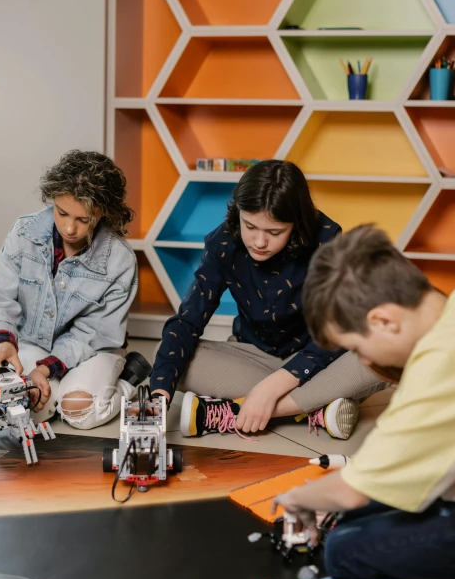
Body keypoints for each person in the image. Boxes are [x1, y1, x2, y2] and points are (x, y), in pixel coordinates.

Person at [273, 224, 455, 579]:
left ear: (382, 321)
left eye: (357, 347)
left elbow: (351, 491)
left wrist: (296, 497)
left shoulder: (441, 361)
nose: (362, 361)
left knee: (345, 550)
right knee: (359, 517)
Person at [150, 160, 384, 441]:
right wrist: (159, 397)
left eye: (274, 232)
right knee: (167, 358)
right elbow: (188, 321)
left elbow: (338, 330)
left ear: (296, 224)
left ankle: (239, 410)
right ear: (238, 212)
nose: (259, 241)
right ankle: (315, 407)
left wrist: (271, 389)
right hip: (252, 355)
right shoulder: (223, 243)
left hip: (318, 355)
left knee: (385, 353)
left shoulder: (327, 240)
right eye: (249, 226)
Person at [0, 150, 151, 430]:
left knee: (79, 411)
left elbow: (92, 333)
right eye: (62, 212)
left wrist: (45, 368)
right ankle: (54, 392)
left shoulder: (120, 260)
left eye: (84, 219)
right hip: (33, 342)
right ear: (52, 199)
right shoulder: (23, 233)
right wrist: (3, 342)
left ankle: (127, 380)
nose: (69, 228)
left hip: (93, 348)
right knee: (19, 406)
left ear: (105, 211)